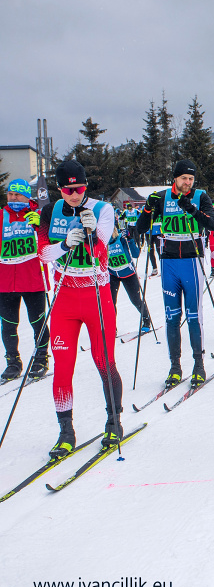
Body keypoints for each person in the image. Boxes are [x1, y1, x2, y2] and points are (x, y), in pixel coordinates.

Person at [39, 159, 124, 456]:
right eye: (68, 189)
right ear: (59, 189)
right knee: (62, 368)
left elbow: (102, 252)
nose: (74, 194)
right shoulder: (50, 211)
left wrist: (90, 237)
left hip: (96, 297)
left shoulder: (103, 209)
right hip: (64, 299)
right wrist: (64, 244)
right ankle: (66, 431)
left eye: (79, 188)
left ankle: (114, 422)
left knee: (104, 362)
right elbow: (43, 255)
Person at [135, 159, 214, 388]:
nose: (187, 183)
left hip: (192, 261)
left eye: (191, 179)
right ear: (175, 178)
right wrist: (148, 209)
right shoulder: (161, 197)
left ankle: (198, 365)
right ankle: (175, 367)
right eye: (184, 178)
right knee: (172, 316)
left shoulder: (200, 196)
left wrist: (191, 209)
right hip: (169, 262)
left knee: (193, 315)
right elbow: (140, 229)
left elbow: (213, 225)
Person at [0, 179, 50, 381]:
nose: (13, 198)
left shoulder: (38, 215)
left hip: (33, 279)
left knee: (37, 320)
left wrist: (41, 226)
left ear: (28, 197)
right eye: (10, 194)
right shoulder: (2, 216)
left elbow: (51, 241)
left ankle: (41, 358)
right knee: (8, 324)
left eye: (18, 195)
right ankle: (13, 362)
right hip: (5, 281)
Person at [106, 225, 152, 333]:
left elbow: (136, 254)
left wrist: (130, 239)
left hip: (128, 273)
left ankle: (146, 320)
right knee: (110, 302)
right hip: (113, 274)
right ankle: (112, 327)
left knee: (135, 299)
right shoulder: (102, 242)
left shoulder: (122, 239)